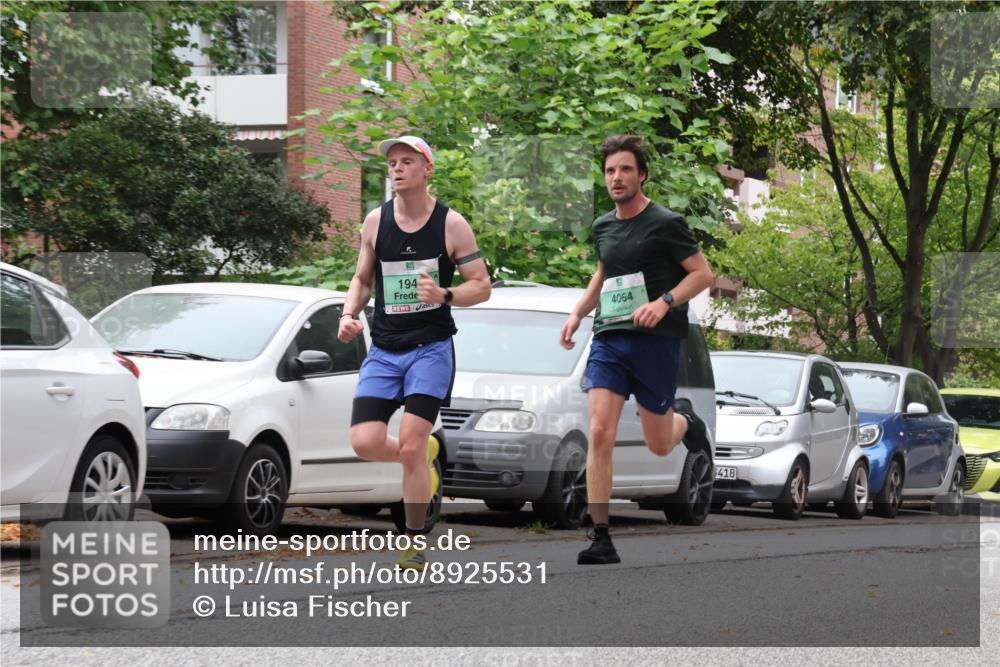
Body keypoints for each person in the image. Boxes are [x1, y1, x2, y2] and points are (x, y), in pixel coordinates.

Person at [560, 135, 715, 565]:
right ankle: (601, 536)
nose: (616, 177)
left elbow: (702, 274)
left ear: (641, 175)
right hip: (610, 337)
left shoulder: (666, 223)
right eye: (610, 170)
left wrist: (664, 302)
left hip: (656, 342)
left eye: (625, 169)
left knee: (660, 443)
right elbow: (605, 272)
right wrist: (577, 313)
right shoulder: (603, 226)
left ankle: (685, 420)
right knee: (600, 433)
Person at [338, 135, 491, 570]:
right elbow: (362, 279)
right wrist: (349, 313)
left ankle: (412, 538)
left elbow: (481, 286)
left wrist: (445, 293)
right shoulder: (375, 221)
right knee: (365, 441)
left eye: (407, 161)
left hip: (430, 350)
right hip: (384, 350)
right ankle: (422, 459)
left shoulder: (451, 225)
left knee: (411, 441)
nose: (397, 168)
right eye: (392, 162)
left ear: (427, 169)